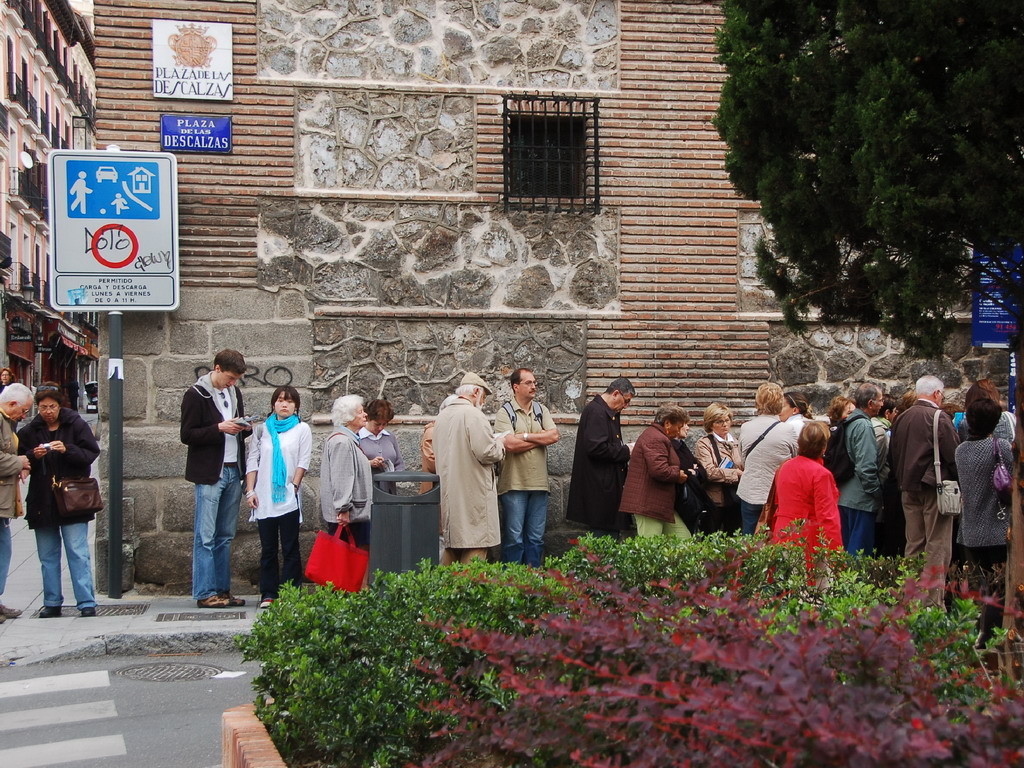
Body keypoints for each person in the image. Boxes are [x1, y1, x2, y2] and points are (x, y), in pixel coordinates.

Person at [18, 383, 101, 618]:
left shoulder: (75, 424)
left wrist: (67, 449)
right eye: (43, 407)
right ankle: (52, 602)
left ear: (59, 405)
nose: (47, 412)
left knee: (77, 551)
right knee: (48, 555)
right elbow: (21, 460)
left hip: (73, 496)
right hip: (42, 498)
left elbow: (90, 454)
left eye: (52, 407)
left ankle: (86, 602)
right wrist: (33, 455)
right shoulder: (30, 431)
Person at [180, 349, 252, 609]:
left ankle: (223, 590)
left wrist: (245, 426)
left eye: (236, 380)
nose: (232, 383)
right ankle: (204, 592)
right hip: (211, 472)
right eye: (230, 378)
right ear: (217, 368)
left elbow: (238, 431)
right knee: (205, 535)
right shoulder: (195, 395)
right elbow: (187, 435)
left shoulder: (234, 393)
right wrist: (219, 428)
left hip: (234, 469)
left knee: (225, 535)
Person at [890, 375, 960, 607]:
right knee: (937, 546)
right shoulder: (939, 417)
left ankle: (909, 600)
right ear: (937, 393)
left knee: (914, 544)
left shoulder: (901, 418)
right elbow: (953, 456)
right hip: (934, 488)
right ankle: (932, 604)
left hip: (907, 487)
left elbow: (894, 453)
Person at [244, 386, 312, 610]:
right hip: (264, 496)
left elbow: (303, 461)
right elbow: (253, 460)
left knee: (290, 547)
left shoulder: (302, 429)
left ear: (296, 406)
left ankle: (291, 592)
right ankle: (269, 593)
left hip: (288, 496)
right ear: (273, 403)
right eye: (281, 400)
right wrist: (251, 490)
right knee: (268, 548)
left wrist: (294, 486)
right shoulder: (262, 430)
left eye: (290, 401)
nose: (285, 404)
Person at [434, 373, 509, 565]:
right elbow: (487, 452)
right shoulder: (474, 415)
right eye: (483, 396)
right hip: (473, 492)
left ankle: (441, 591)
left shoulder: (442, 416)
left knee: (453, 546)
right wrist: (500, 443)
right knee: (476, 543)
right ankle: (466, 592)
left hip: (450, 493)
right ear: (476, 392)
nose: (483, 402)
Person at [955, 398, 1012, 645]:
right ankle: (990, 637)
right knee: (1000, 586)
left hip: (970, 528)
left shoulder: (960, 451)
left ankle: (979, 633)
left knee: (981, 585)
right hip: (998, 527)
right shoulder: (1002, 447)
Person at [494, 368, 560, 567]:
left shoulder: (541, 410)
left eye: (535, 383)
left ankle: (534, 586)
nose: (534, 386)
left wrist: (523, 436)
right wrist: (540, 438)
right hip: (513, 485)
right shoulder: (504, 412)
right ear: (516, 387)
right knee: (514, 539)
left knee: (536, 539)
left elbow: (554, 436)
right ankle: (511, 586)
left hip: (539, 485)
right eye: (529, 383)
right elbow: (509, 445)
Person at [565, 378, 635, 535]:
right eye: (626, 401)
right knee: (602, 545)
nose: (626, 406)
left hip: (607, 489)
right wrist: (626, 451)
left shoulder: (608, 411)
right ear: (616, 393)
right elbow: (596, 448)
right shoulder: (597, 411)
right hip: (600, 492)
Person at [770, 420, 842, 568]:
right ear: (823, 447)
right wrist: (836, 555)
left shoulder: (785, 466)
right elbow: (828, 518)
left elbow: (778, 502)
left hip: (782, 531)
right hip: (808, 537)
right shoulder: (821, 474)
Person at [620, 406, 696, 539]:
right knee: (650, 548)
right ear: (667, 423)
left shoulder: (658, 436)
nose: (679, 431)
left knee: (684, 539)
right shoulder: (655, 438)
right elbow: (659, 470)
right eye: (678, 427)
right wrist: (678, 475)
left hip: (659, 504)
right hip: (648, 504)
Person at [736, 383, 798, 534]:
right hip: (776, 494)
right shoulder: (788, 430)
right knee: (775, 540)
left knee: (749, 541)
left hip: (750, 491)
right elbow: (794, 460)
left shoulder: (746, 427)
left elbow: (743, 460)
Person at [320, 395, 374, 557]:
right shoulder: (342, 442)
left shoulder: (348, 440)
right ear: (349, 417)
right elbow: (341, 477)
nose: (365, 415)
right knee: (344, 561)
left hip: (351, 513)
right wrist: (343, 508)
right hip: (346, 515)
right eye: (360, 412)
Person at [836, 383, 884, 556]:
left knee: (846, 549)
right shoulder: (863, 426)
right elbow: (866, 467)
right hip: (861, 499)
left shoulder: (848, 421)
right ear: (870, 403)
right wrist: (877, 492)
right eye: (880, 400)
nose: (882, 404)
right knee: (859, 555)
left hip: (844, 495)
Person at [0, 384, 32, 623]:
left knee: (4, 552)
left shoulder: (7, 422)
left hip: (4, 499)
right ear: (11, 404)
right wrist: (19, 462)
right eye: (23, 411)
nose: (24, 416)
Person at [694, 402, 744, 533]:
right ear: (710, 424)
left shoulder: (737, 442)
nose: (724, 424)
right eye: (719, 421)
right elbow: (709, 472)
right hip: (715, 501)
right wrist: (736, 473)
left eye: (727, 420)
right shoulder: (704, 443)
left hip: (736, 498)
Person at [358, 399, 406, 495]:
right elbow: (352, 465)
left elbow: (399, 463)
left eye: (384, 424)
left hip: (389, 492)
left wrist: (396, 473)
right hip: (366, 492)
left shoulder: (390, 437)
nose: (380, 428)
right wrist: (369, 463)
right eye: (377, 424)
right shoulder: (358, 438)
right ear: (368, 419)